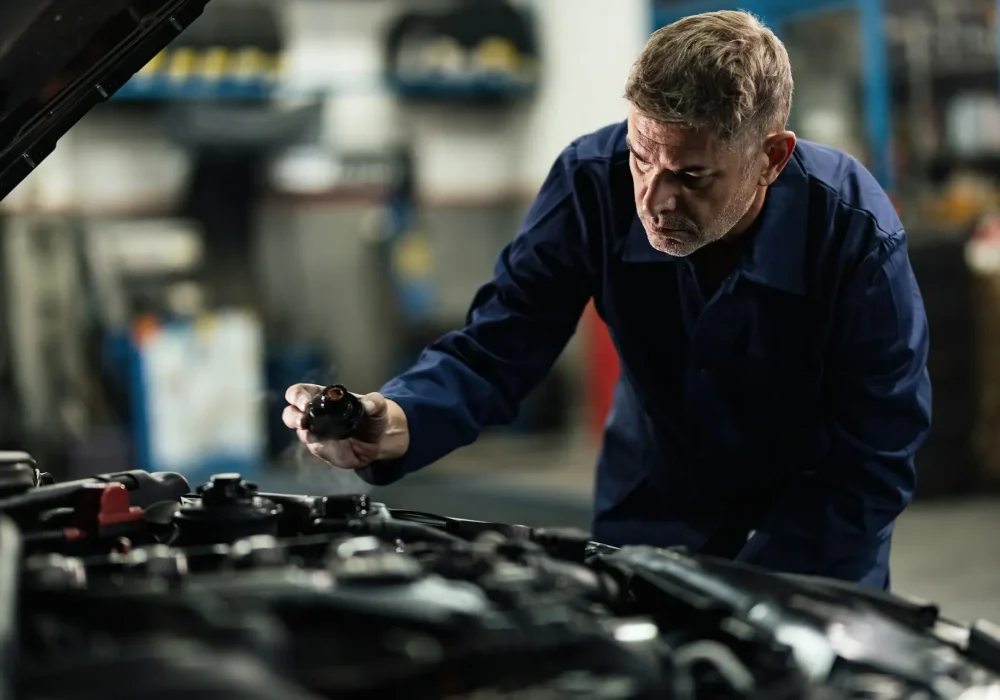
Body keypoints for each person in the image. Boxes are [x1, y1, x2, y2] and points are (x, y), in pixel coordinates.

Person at [283, 10, 931, 590]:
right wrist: (393, 422)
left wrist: (761, 595)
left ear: (771, 157)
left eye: (690, 174)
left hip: (818, 531)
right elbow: (501, 343)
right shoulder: (591, 181)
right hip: (653, 508)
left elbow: (874, 456)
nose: (654, 196)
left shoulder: (854, 235)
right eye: (642, 157)